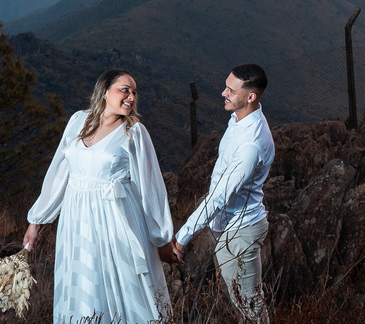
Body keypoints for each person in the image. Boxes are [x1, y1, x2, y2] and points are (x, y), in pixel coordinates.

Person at [23, 69, 180, 324]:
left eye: (134, 92)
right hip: (77, 223)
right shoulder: (77, 121)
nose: (131, 96)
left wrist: (161, 238)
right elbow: (60, 173)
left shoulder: (135, 133)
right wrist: (36, 220)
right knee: (84, 281)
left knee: (123, 284)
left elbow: (151, 188)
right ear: (105, 92)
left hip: (116, 222)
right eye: (125, 89)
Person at [170, 64, 275, 323]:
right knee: (239, 301)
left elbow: (219, 196)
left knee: (250, 307)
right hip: (227, 227)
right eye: (225, 86)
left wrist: (183, 237)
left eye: (231, 89)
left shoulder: (251, 143)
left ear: (251, 97)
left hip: (239, 231)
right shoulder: (238, 119)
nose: (223, 93)